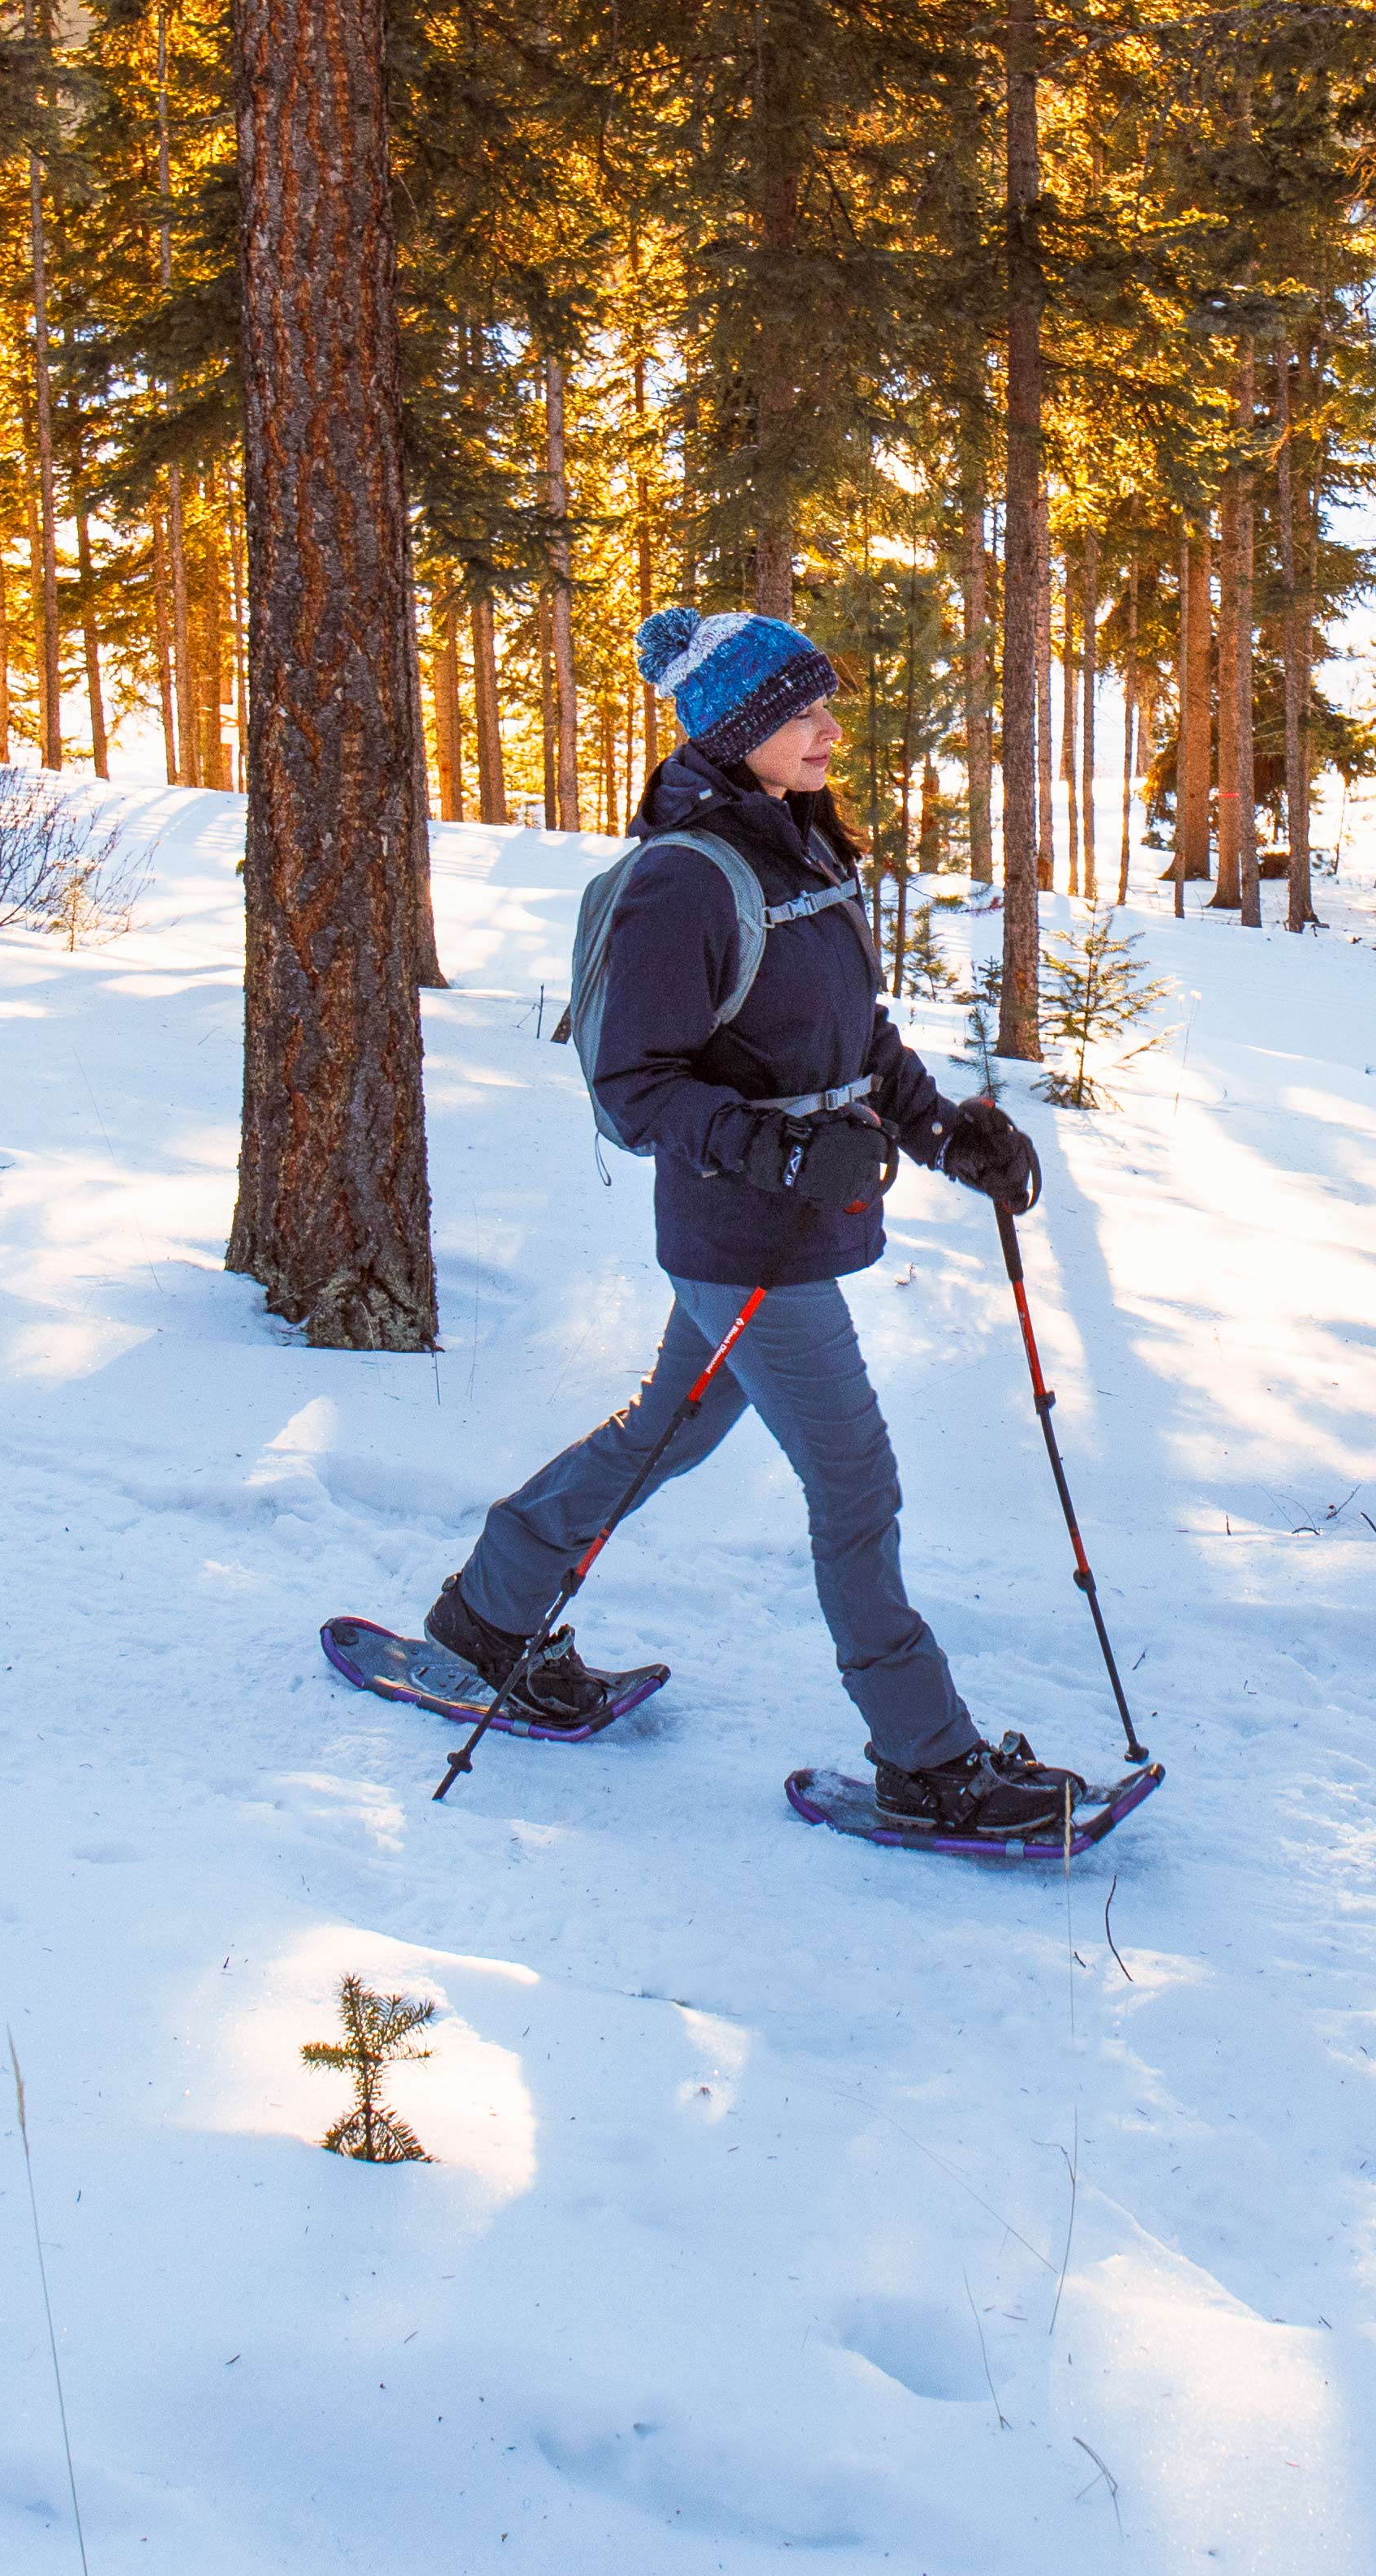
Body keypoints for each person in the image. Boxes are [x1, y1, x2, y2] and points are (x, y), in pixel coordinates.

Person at [424, 604, 1078, 1838]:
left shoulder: (805, 851)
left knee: (664, 1434)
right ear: (736, 733)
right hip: (745, 1239)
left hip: (788, 1226)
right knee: (856, 1485)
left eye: (824, 704)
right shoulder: (686, 880)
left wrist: (947, 1134)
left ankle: (490, 1608)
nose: (831, 728)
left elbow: (857, 1043)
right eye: (800, 712)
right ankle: (927, 1761)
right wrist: (775, 1145)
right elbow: (635, 1086)